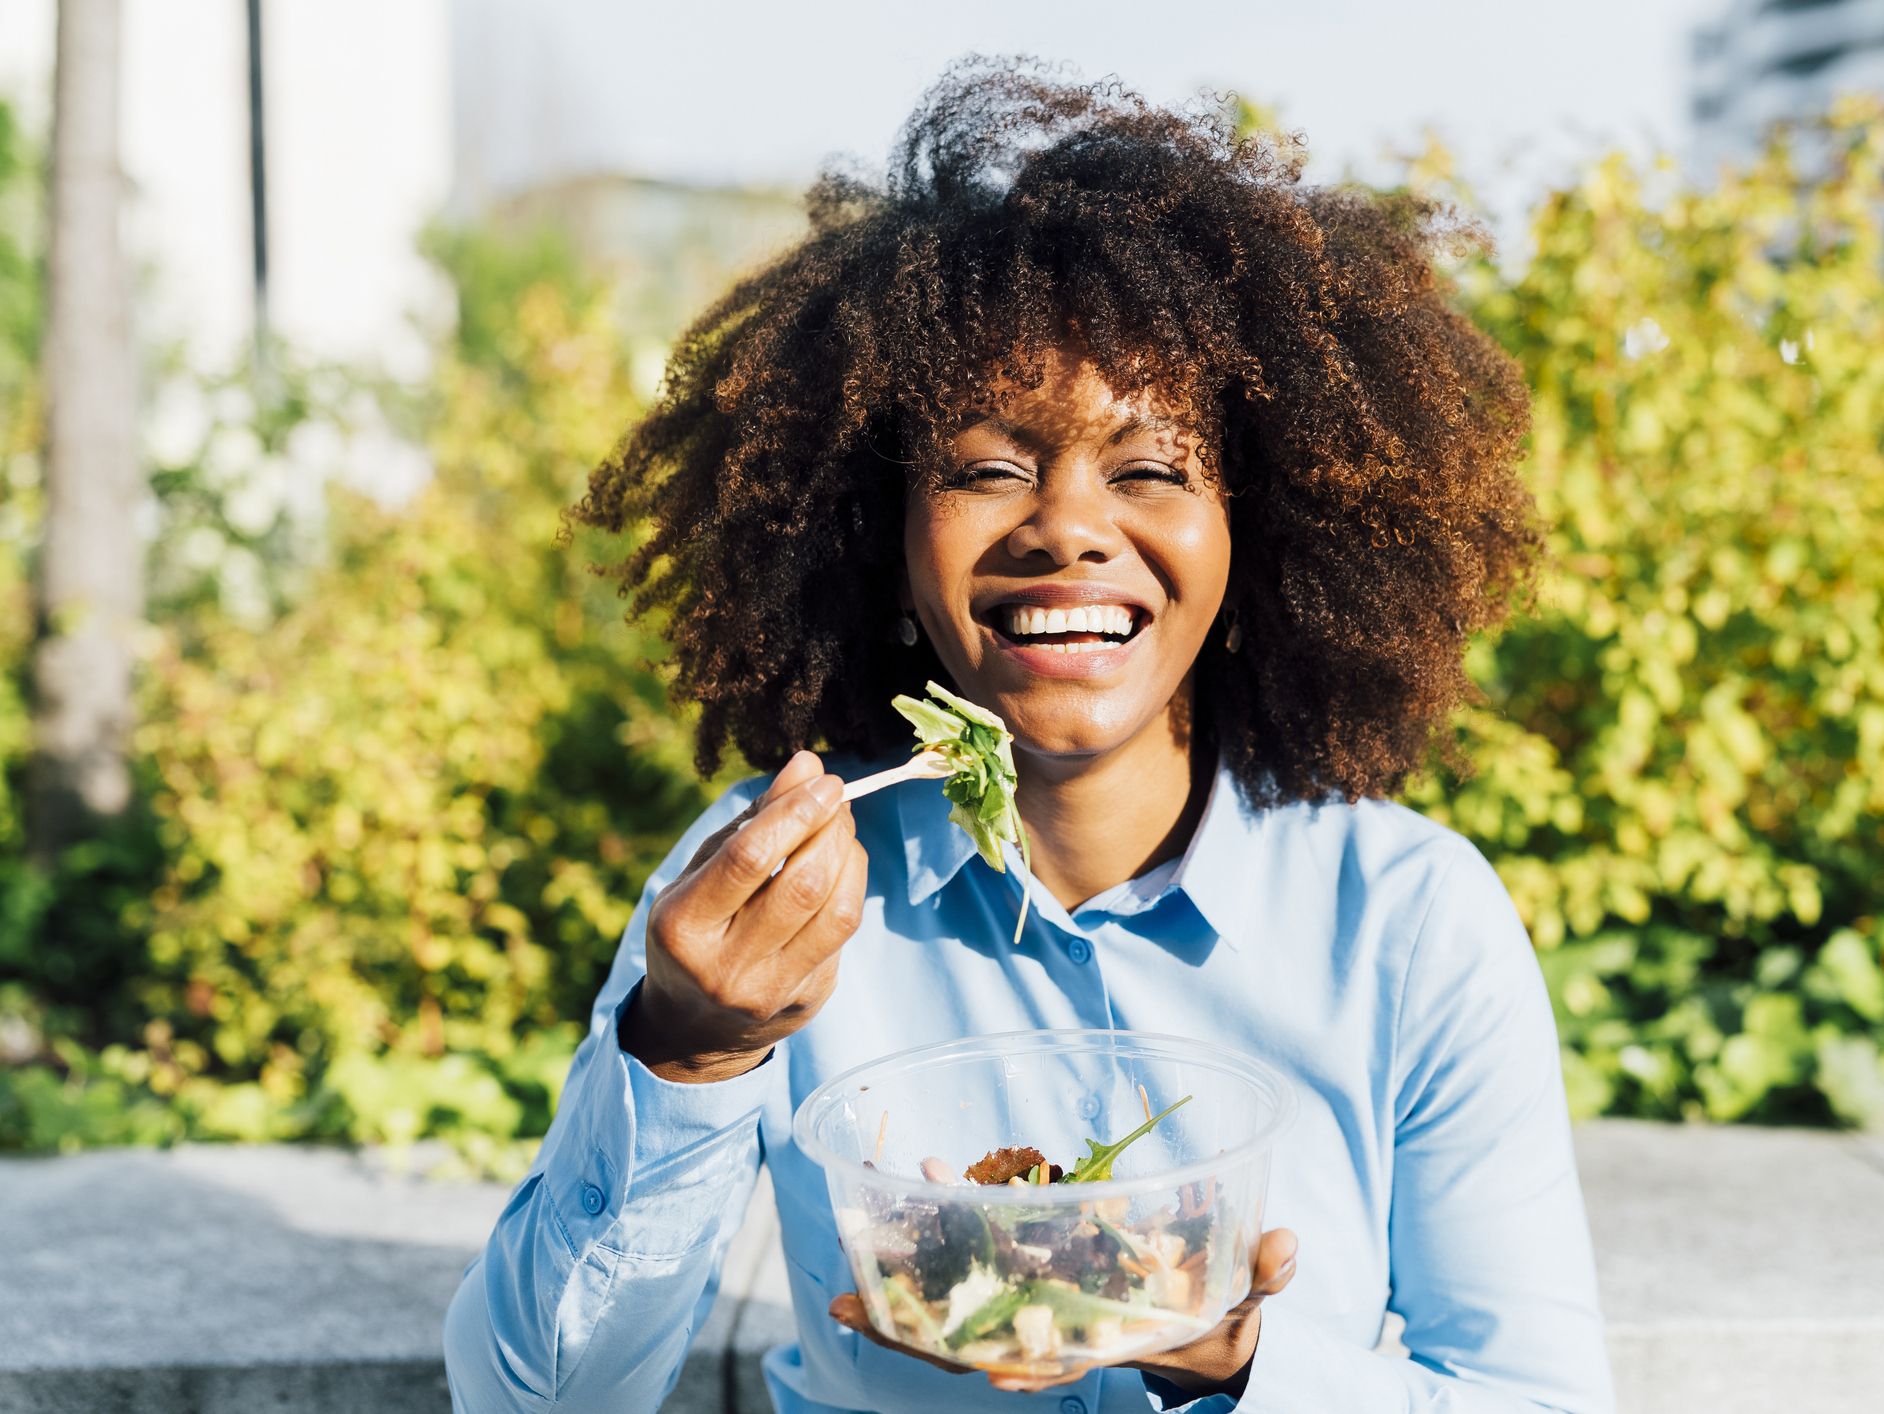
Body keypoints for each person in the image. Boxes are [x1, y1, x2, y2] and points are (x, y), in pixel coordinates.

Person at [444, 57, 1613, 1414]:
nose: (1065, 524)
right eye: (988, 466)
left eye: (1150, 467)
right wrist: (689, 1052)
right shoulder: (776, 885)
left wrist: (1228, 1354)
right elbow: (536, 1399)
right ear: (881, 540)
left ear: (1261, 534)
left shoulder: (1407, 922)